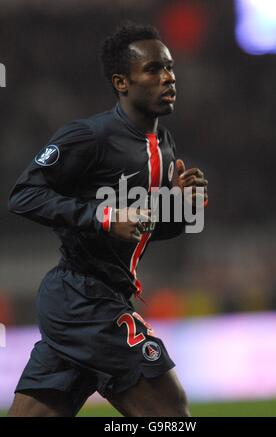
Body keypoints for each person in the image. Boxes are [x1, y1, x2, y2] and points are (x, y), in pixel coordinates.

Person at [7, 23, 208, 417]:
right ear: (122, 82)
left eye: (169, 68)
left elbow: (142, 226)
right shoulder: (87, 137)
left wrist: (184, 209)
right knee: (170, 411)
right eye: (153, 69)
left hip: (102, 298)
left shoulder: (163, 145)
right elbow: (23, 195)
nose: (167, 77)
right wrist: (101, 215)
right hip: (82, 297)